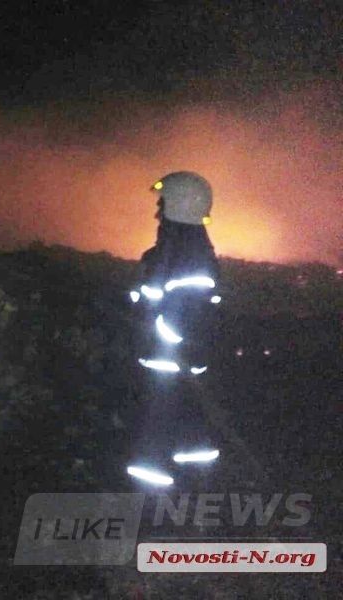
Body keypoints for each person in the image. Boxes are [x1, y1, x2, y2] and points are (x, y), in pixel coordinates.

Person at [126, 172, 222, 486]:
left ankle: (154, 495)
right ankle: (192, 486)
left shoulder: (187, 257)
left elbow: (183, 316)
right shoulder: (172, 253)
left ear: (178, 206)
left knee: (158, 432)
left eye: (162, 205)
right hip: (171, 363)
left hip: (170, 364)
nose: (157, 213)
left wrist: (155, 336)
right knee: (187, 426)